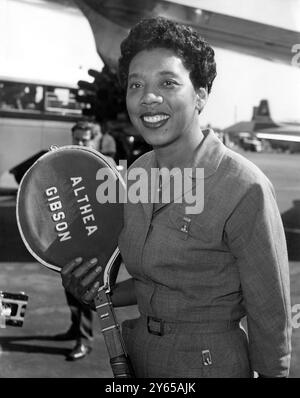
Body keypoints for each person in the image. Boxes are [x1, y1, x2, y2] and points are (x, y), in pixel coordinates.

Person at [60, 17, 292, 377]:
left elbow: (270, 314)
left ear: (200, 94)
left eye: (168, 82)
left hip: (208, 362)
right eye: (136, 84)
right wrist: (94, 292)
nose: (148, 97)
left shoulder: (243, 187)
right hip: (137, 355)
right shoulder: (138, 173)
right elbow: (154, 284)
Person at [53, 121, 100, 361]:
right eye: (77, 139)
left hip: (91, 243)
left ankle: (84, 341)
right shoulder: (65, 162)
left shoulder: (104, 166)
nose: (80, 144)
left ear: (94, 140)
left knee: (84, 291)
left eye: (85, 139)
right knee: (68, 286)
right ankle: (74, 329)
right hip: (68, 238)